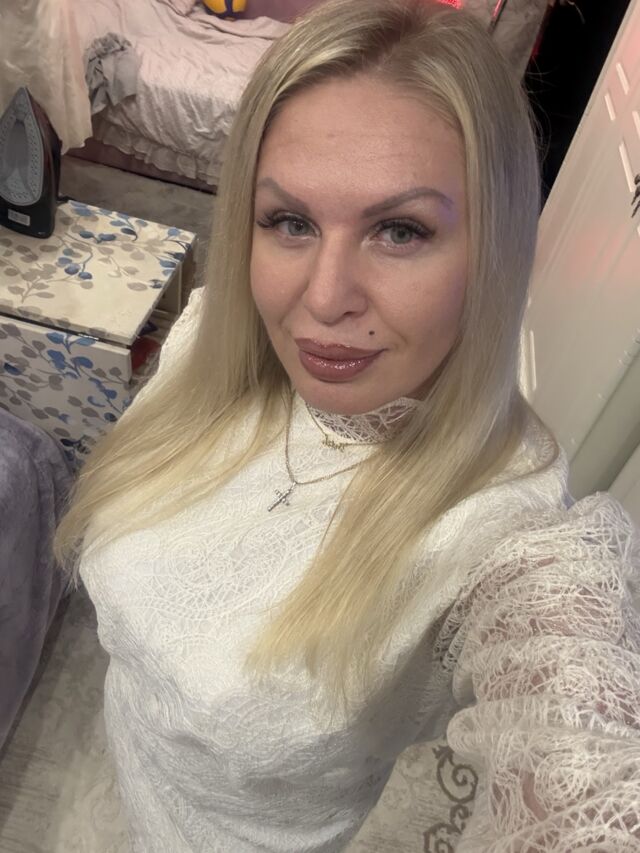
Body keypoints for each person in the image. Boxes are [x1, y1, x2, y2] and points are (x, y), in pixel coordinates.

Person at [54, 0, 640, 850]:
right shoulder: (211, 333)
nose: (324, 299)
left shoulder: (507, 530)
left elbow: (579, 752)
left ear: (494, 248)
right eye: (289, 222)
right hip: (118, 786)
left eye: (399, 230)